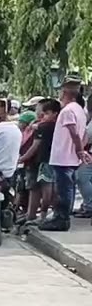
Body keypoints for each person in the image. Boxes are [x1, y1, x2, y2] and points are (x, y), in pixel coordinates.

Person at [43, 80, 90, 231]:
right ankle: (60, 217)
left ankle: (61, 219)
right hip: (68, 157)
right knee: (66, 187)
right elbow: (81, 135)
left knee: (64, 189)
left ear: (65, 93)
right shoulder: (80, 110)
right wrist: (81, 150)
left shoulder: (69, 110)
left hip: (63, 156)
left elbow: (74, 133)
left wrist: (80, 150)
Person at [18, 99, 60, 226]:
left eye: (44, 112)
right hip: (48, 160)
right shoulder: (50, 126)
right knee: (40, 188)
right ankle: (35, 214)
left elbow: (35, 146)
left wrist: (23, 158)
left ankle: (42, 214)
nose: (40, 113)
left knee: (45, 188)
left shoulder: (42, 127)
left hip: (43, 161)